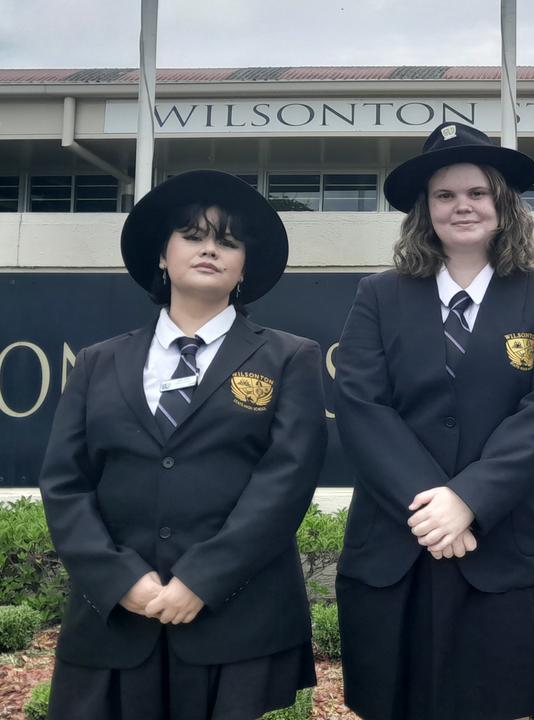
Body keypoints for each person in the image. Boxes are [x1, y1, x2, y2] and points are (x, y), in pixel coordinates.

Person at [39, 170, 326, 720]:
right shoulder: (99, 362)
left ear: (244, 266)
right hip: (116, 619)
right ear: (163, 255)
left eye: (228, 241)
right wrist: (120, 580)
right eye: (194, 236)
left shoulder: (290, 358)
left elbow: (285, 481)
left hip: (236, 617)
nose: (210, 249)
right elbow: (65, 482)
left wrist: (202, 578)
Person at [334, 122, 534, 720]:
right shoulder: (379, 295)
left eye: (477, 192)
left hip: (499, 544)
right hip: (399, 541)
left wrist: (468, 499)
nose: (462, 206)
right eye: (444, 195)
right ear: (425, 210)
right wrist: (433, 506)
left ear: (503, 202)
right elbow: (363, 407)